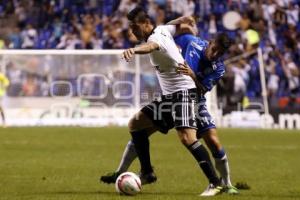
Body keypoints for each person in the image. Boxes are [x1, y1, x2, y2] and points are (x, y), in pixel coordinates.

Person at [101, 14, 239, 195]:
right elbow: (181, 26)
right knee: (136, 124)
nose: (132, 30)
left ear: (146, 24)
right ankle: (147, 172)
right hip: (171, 95)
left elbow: (153, 46)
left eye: (135, 26)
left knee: (189, 138)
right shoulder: (169, 32)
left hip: (186, 93)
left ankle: (216, 183)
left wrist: (134, 50)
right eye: (131, 26)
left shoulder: (157, 37)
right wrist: (186, 20)